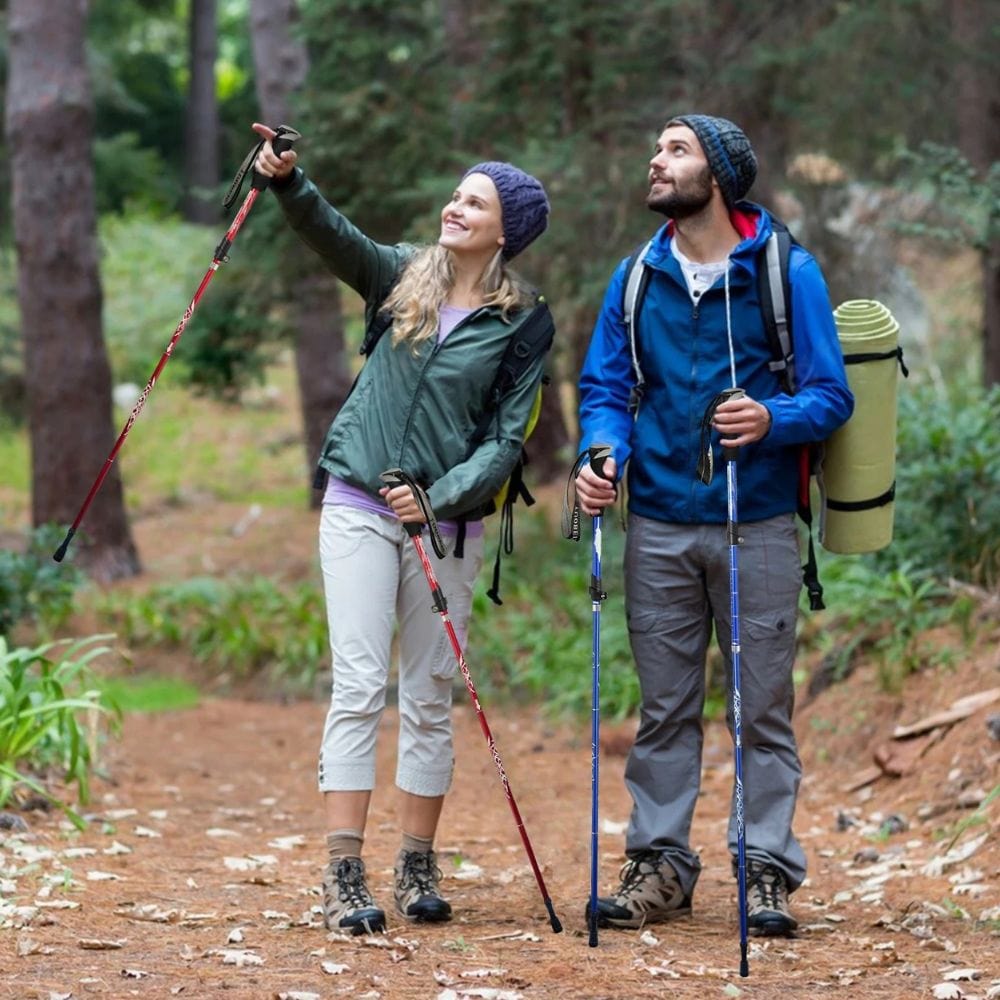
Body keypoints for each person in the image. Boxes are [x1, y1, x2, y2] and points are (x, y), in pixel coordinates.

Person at [251, 123, 551, 935]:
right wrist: (288, 181)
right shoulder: (402, 276)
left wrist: (442, 497)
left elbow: (505, 442)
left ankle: (417, 861)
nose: (456, 206)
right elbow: (332, 235)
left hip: (446, 528)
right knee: (358, 686)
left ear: (506, 230)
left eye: (476, 201)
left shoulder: (524, 322)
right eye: (457, 194)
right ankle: (342, 872)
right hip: (357, 505)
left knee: (428, 694)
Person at [574, 114, 853, 936]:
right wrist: (601, 454)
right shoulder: (636, 277)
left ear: (719, 175)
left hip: (757, 523)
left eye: (675, 150)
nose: (654, 161)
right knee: (664, 709)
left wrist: (772, 419)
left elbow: (833, 397)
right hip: (657, 520)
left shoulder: (785, 272)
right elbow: (606, 390)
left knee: (759, 709)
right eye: (656, 148)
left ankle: (764, 868)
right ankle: (659, 865)